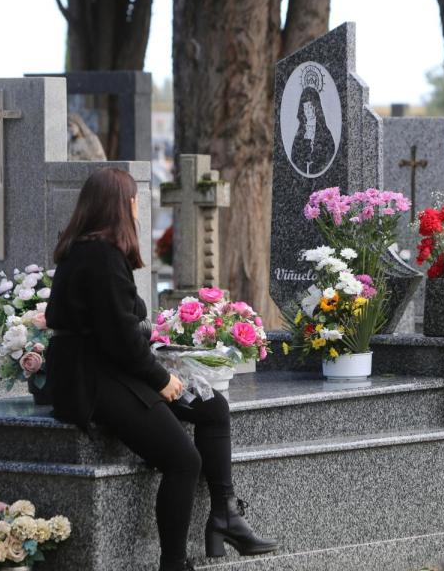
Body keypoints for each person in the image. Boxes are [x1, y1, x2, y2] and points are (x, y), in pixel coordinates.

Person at [45, 168, 278, 571]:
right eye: (135, 200)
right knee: (183, 459)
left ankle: (225, 515)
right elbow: (118, 340)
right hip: (94, 379)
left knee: (212, 408)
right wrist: (162, 378)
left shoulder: (93, 251)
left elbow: (119, 332)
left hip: (110, 367)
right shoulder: (99, 256)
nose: (139, 208)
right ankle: (173, 563)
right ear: (120, 205)